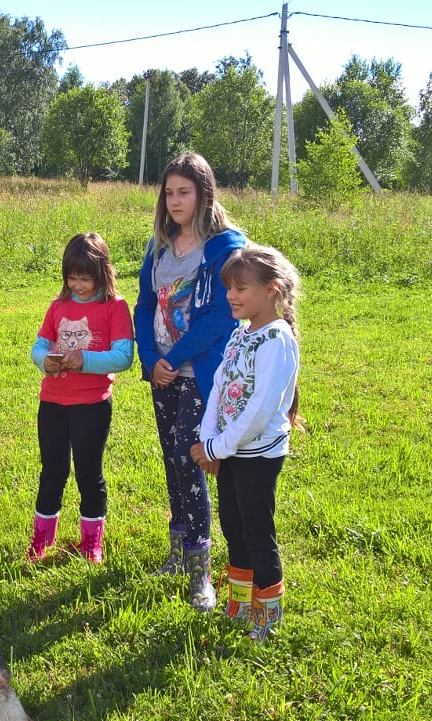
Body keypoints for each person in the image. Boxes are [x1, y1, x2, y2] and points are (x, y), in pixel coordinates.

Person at [133, 152, 248, 611]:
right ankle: (177, 553)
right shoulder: (159, 245)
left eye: (184, 192)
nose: (175, 201)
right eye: (169, 193)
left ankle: (201, 571)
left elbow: (222, 315)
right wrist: (150, 358)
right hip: (161, 370)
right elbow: (143, 306)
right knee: (170, 457)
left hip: (201, 372)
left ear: (204, 193)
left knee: (191, 457)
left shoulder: (224, 247)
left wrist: (173, 357)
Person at [190, 244, 302, 641]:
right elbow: (220, 386)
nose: (231, 296)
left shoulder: (277, 339)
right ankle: (238, 604)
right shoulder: (241, 332)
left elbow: (258, 409)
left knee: (257, 531)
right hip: (228, 449)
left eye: (241, 289)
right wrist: (208, 436)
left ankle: (267, 617)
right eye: (229, 289)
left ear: (272, 290)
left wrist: (217, 448)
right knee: (233, 526)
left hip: (257, 455)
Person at [26, 232, 133, 564]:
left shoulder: (114, 308)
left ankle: (92, 543)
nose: (78, 285)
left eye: (85, 278)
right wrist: (44, 359)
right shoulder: (57, 307)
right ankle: (41, 540)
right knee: (52, 471)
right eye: (72, 278)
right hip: (53, 403)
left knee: (89, 473)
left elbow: (123, 356)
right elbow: (40, 345)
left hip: (92, 405)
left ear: (103, 273)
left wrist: (84, 360)